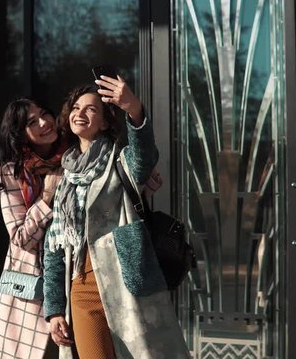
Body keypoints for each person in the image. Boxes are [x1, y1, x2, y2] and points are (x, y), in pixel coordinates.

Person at [43, 76, 191, 358]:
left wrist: (134, 109)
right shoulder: (65, 180)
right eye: (75, 108)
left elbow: (144, 156)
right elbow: (54, 251)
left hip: (126, 285)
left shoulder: (121, 161)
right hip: (82, 289)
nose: (80, 113)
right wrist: (53, 310)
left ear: (105, 122)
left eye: (91, 109)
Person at [0, 97, 67, 359]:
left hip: (70, 276)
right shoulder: (12, 172)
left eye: (44, 114)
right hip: (30, 289)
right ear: (21, 135)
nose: (44, 123)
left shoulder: (73, 159)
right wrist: (46, 198)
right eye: (32, 122)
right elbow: (21, 238)